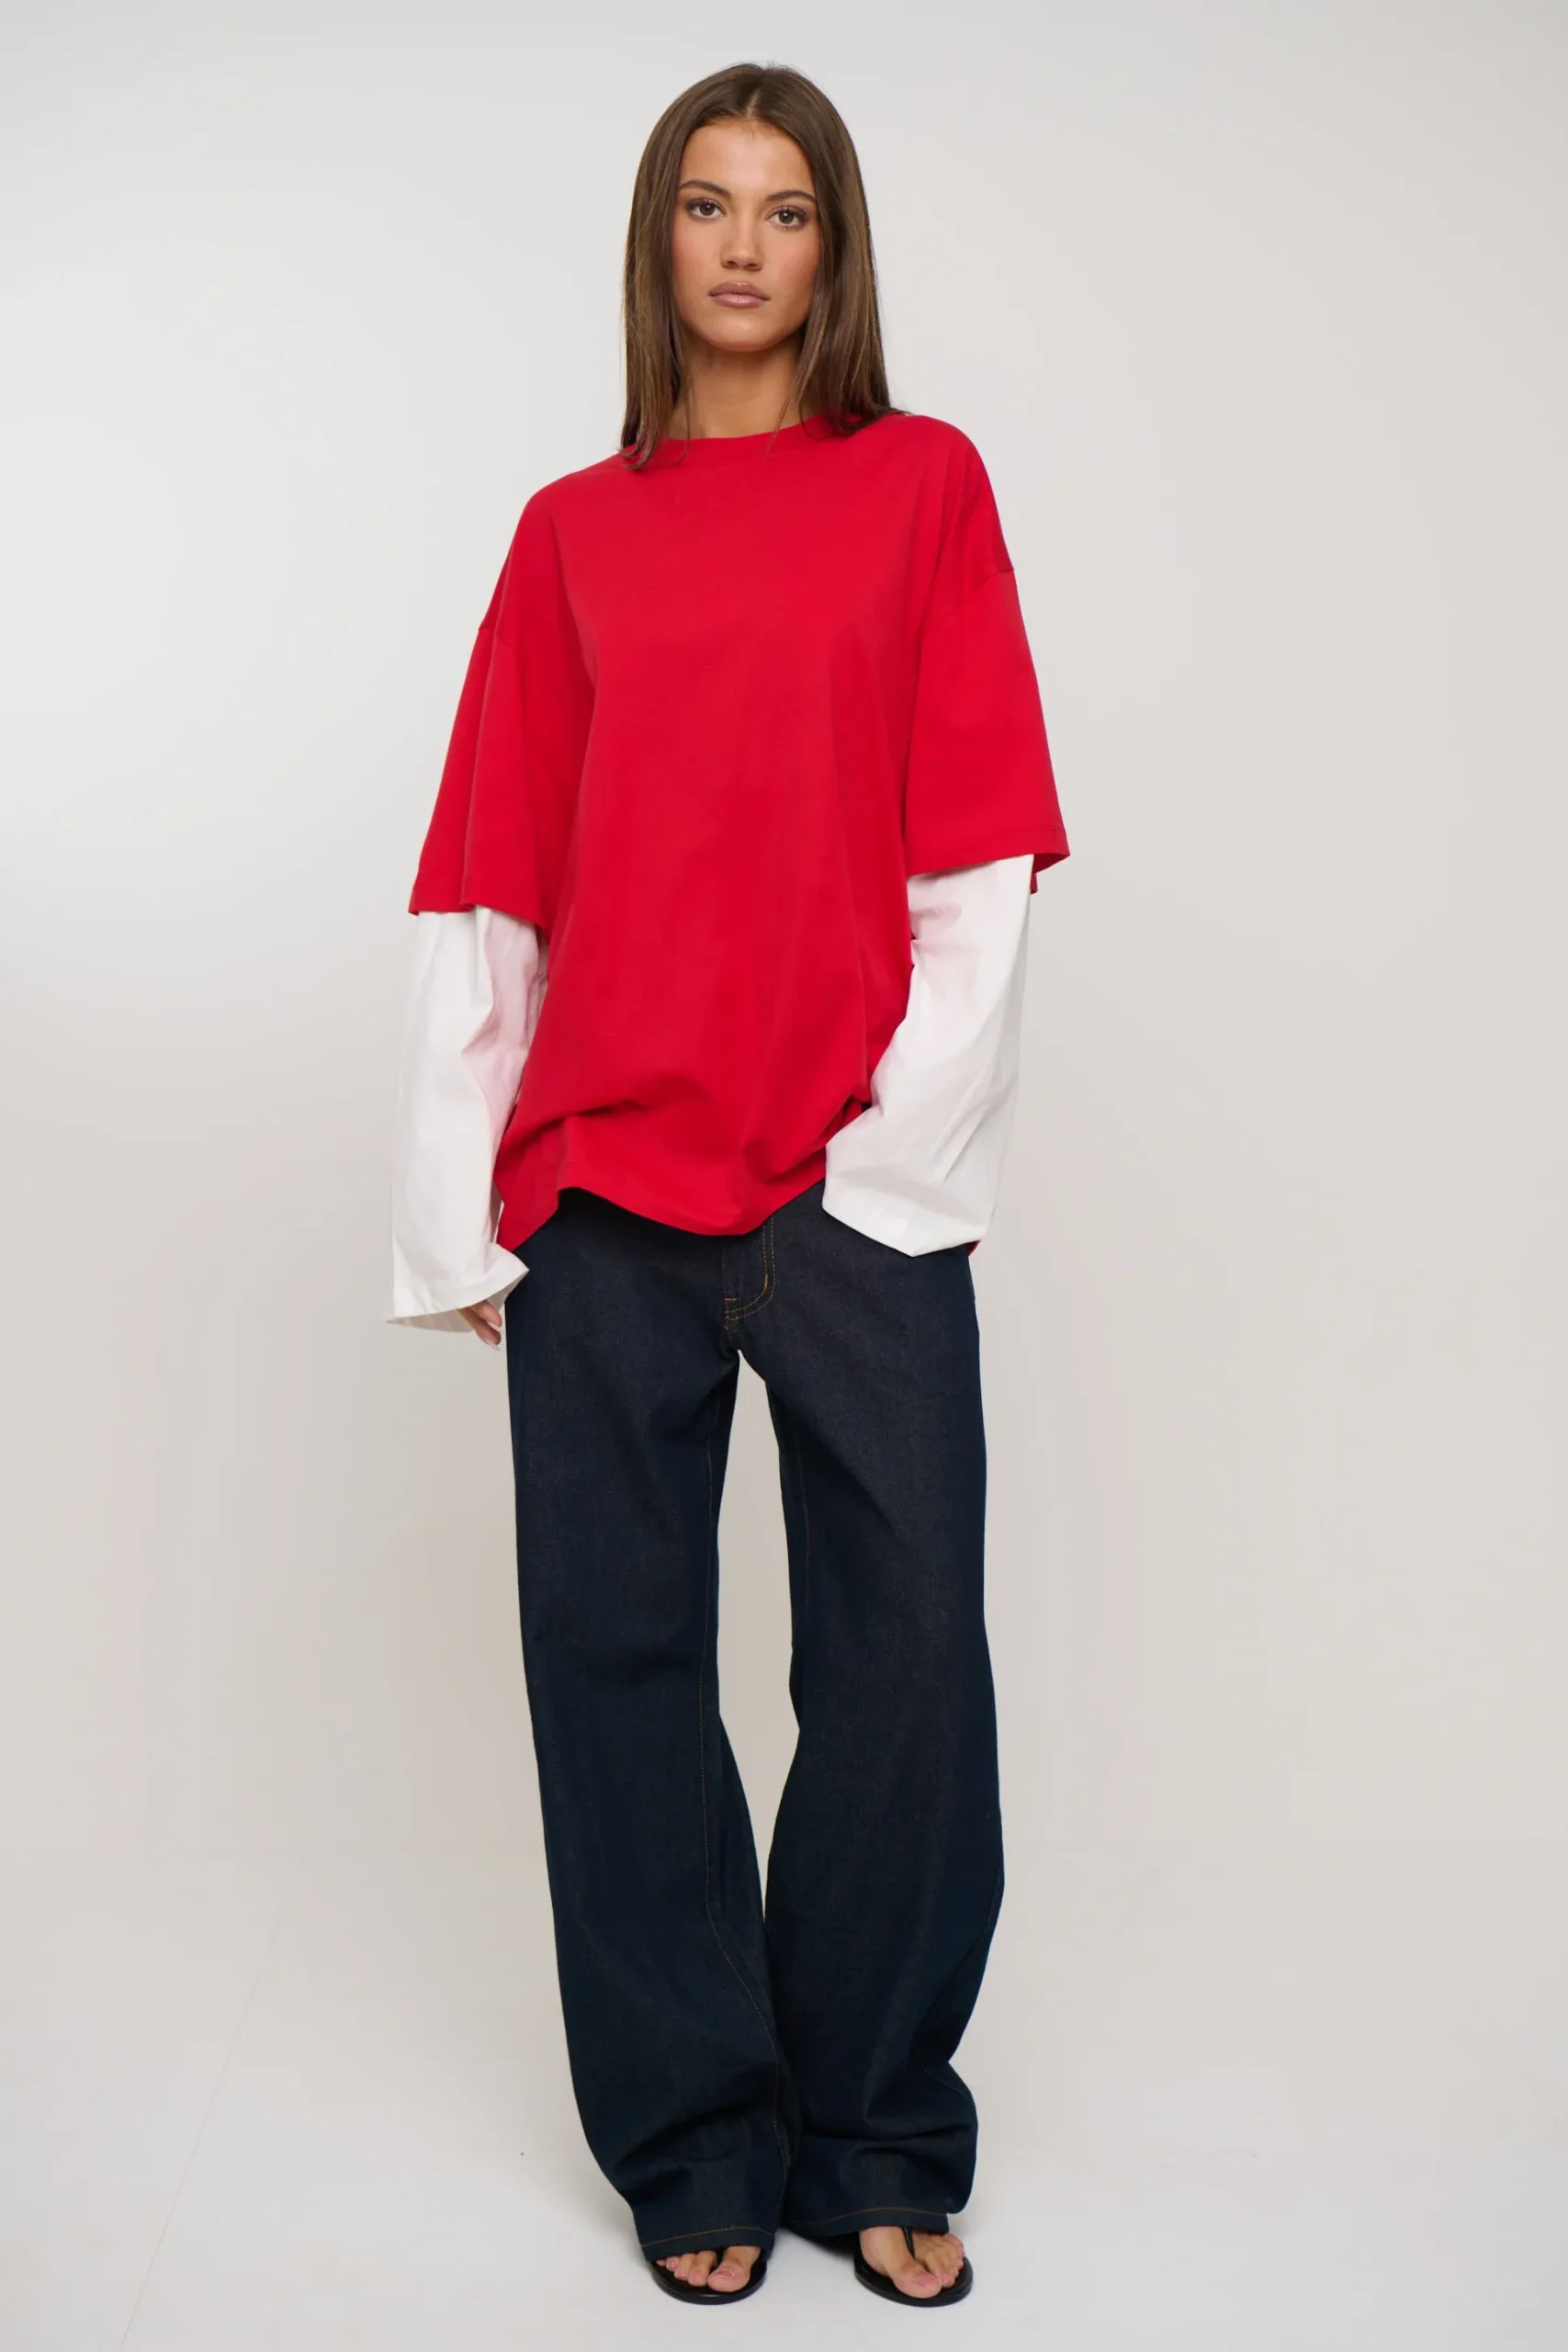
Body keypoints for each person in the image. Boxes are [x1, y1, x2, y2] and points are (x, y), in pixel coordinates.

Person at [387, 60, 1068, 2310]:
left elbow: (977, 846)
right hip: (603, 1179)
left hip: (848, 1180)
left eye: (786, 208)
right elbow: (494, 869)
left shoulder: (920, 488)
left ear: (834, 245)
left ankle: (870, 2122)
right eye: (706, 203)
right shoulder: (570, 533)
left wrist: (893, 1155)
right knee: (615, 1659)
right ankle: (694, 2129)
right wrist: (460, 1193)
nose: (745, 244)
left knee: (906, 1659)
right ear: (657, 240)